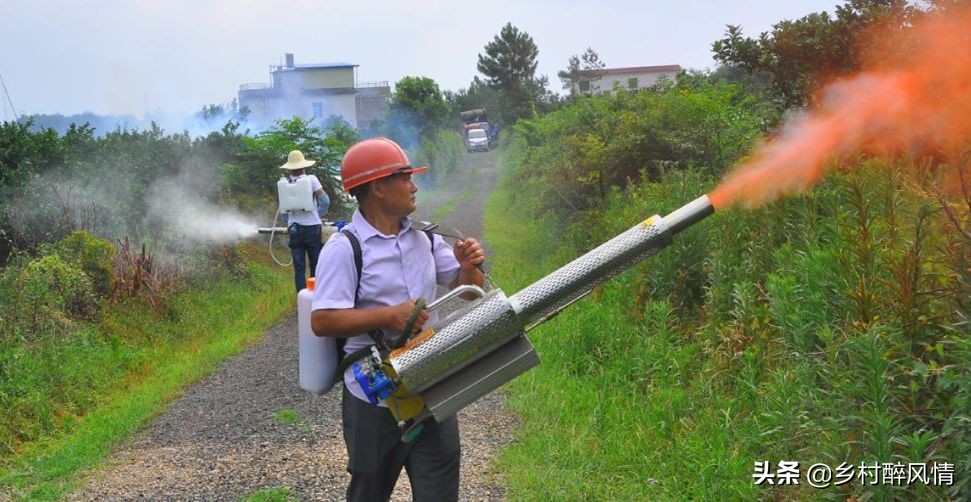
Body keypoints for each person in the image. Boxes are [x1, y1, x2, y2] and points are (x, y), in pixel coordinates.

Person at [310, 137, 485, 502]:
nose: (413, 185)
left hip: (430, 383)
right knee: (370, 490)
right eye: (405, 177)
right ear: (378, 188)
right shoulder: (344, 248)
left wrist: (469, 268)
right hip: (373, 395)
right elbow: (323, 320)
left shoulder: (424, 236)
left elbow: (468, 291)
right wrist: (390, 315)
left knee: (440, 490)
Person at [280, 149, 330, 292]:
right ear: (303, 166)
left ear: (290, 167)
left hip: (294, 229)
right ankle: (317, 297)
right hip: (312, 228)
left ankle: (301, 297)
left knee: (299, 267)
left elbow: (283, 210)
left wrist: (289, 222)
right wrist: (319, 214)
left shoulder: (284, 183)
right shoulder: (311, 179)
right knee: (316, 264)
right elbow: (325, 200)